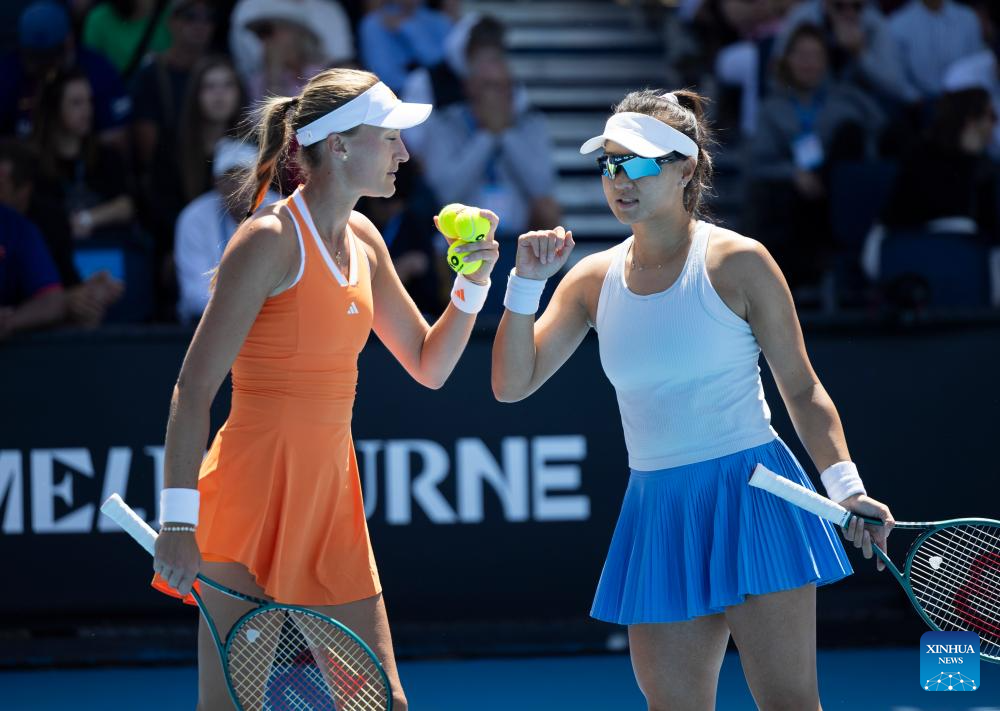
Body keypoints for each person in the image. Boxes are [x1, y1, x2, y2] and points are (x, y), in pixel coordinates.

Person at [491, 89, 894, 710]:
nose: (618, 179)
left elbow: (802, 388)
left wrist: (846, 487)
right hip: (657, 507)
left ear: (685, 169)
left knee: (790, 704)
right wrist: (524, 285)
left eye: (637, 162)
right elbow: (511, 384)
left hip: (755, 496)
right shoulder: (590, 280)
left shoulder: (740, 262)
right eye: (609, 163)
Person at [150, 68, 500, 710]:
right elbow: (193, 388)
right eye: (389, 137)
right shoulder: (267, 241)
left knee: (382, 704)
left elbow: (429, 364)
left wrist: (471, 286)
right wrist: (178, 519)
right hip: (250, 497)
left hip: (331, 498)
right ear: (338, 145)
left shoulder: (365, 238)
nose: (404, 153)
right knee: (229, 706)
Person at [174, 137, 279, 324]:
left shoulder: (283, 210)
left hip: (269, 321)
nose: (239, 186)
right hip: (209, 323)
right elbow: (194, 296)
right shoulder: (194, 218)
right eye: (230, 177)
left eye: (246, 176)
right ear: (216, 182)